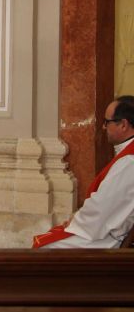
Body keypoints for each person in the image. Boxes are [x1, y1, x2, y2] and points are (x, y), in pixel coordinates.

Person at [33, 95, 134, 248]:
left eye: (107, 122)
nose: (103, 127)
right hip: (102, 229)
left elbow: (102, 208)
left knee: (44, 249)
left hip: (106, 238)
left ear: (123, 125)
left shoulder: (129, 161)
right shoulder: (128, 155)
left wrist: (75, 221)